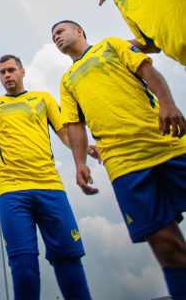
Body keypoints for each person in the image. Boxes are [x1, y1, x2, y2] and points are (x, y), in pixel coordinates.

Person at [52, 19, 186, 300]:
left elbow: (148, 70)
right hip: (124, 164)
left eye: (60, 31)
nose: (56, 37)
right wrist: (79, 163)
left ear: (79, 30)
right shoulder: (67, 80)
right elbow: (75, 125)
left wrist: (168, 103)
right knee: (167, 248)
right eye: (53, 36)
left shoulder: (111, 46)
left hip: (167, 143)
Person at [0, 54, 92, 300]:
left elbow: (65, 134)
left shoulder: (43, 99)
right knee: (24, 268)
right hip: (12, 192)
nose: (7, 75)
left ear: (22, 71)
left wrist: (84, 148)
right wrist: (4, 164)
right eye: (2, 72)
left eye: (11, 70)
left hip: (50, 186)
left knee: (69, 259)